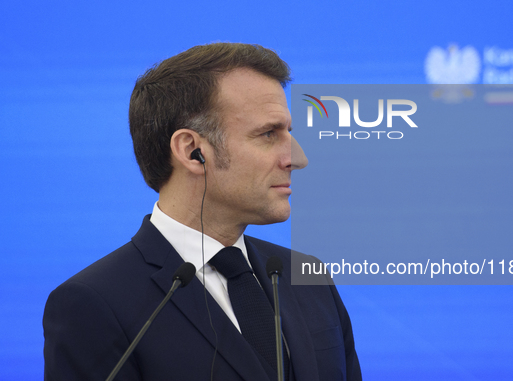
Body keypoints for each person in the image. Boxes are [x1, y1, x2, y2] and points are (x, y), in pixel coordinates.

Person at [43, 43, 362, 380]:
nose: (297, 159)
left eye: (288, 132)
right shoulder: (94, 304)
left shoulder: (308, 278)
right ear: (192, 150)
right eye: (268, 133)